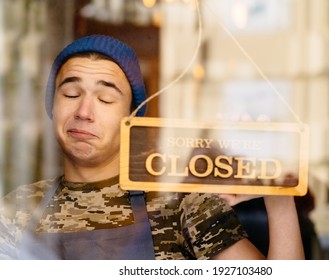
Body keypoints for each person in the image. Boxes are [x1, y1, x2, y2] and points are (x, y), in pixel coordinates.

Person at [0, 34, 304, 260]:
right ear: (52, 107)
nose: (84, 110)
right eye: (70, 93)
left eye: (105, 99)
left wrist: (279, 199)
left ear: (133, 116)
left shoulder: (183, 202)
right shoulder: (16, 210)